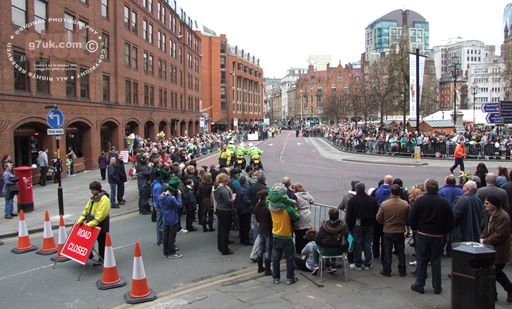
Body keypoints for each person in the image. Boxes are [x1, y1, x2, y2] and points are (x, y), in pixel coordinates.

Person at [408, 179, 454, 295]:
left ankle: (419, 284)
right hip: (438, 236)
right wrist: (444, 232)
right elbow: (450, 221)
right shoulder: (444, 202)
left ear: (426, 188)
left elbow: (411, 218)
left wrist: (415, 229)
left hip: (423, 234)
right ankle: (437, 286)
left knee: (421, 260)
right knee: (436, 261)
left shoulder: (420, 201)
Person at [480, 195, 512, 303]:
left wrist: (485, 241)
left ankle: (508, 290)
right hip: (491, 250)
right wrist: (482, 237)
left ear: (494, 204)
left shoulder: (503, 216)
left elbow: (499, 235)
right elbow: (486, 228)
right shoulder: (491, 214)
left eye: (487, 203)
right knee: (493, 273)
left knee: (495, 273)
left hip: (500, 251)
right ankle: (493, 295)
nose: (485, 205)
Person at [268, 183, 299, 285]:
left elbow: (269, 199)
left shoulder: (270, 206)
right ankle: (290, 278)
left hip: (275, 235)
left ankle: (275, 278)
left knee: (276, 258)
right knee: (289, 258)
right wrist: (295, 207)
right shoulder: (288, 209)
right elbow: (297, 218)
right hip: (286, 236)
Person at [376, 184, 410, 277]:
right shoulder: (405, 204)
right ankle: (402, 270)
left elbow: (379, 218)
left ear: (391, 192)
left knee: (387, 251)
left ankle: (387, 270)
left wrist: (385, 222)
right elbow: (408, 218)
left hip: (388, 230)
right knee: (401, 252)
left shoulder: (385, 204)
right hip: (400, 230)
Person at [76, 181, 111, 266]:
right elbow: (86, 210)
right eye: (91, 190)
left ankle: (102, 259)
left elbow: (100, 215)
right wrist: (80, 220)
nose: (92, 192)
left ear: (98, 189)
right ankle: (89, 254)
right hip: (91, 223)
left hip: (101, 224)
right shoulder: (92, 198)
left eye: (93, 190)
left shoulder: (104, 199)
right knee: (87, 240)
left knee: (101, 242)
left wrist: (91, 223)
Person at [346, 182, 377, 271]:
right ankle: (368, 263)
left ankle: (358, 263)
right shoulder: (372, 200)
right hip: (369, 224)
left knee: (357, 243)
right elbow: (376, 212)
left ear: (356, 189)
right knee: (367, 243)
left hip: (357, 224)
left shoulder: (353, 201)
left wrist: (349, 227)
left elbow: (349, 216)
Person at [438, 175, 463, 257]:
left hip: (444, 216)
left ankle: (440, 250)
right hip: (456, 215)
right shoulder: (460, 191)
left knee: (443, 235)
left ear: (446, 182)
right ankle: (450, 251)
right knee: (453, 235)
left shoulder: (441, 191)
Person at [315, 208, 347, 273]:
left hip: (325, 251)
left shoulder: (324, 226)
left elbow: (318, 239)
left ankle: (316, 265)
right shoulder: (344, 226)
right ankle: (332, 265)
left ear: (329, 215)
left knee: (314, 247)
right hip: (340, 251)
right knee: (335, 243)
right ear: (338, 215)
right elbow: (345, 238)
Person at [158, 178, 183, 259]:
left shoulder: (161, 196)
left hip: (165, 218)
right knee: (172, 237)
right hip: (172, 218)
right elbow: (179, 205)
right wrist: (179, 196)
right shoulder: (171, 198)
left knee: (166, 236)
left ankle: (165, 252)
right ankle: (171, 252)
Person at [214, 173, 236, 255]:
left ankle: (220, 247)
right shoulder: (223, 190)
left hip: (220, 209)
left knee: (221, 230)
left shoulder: (218, 187)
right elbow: (228, 201)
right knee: (225, 230)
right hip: (225, 211)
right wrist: (233, 198)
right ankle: (225, 249)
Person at [373, 175, 393, 260]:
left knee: (376, 238)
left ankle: (376, 254)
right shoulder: (393, 191)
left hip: (377, 217)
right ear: (391, 182)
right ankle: (385, 255)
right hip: (389, 218)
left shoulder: (376, 191)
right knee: (385, 239)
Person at [253, 189, 272, 275]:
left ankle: (260, 267)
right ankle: (268, 270)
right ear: (266, 196)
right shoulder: (267, 207)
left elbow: (257, 219)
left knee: (261, 248)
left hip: (261, 229)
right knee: (268, 249)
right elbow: (270, 220)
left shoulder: (257, 206)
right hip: (268, 230)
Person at [292, 183, 314, 254]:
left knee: (299, 233)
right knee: (306, 231)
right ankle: (306, 248)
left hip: (301, 213)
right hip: (307, 213)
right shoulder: (306, 194)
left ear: (296, 189)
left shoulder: (296, 196)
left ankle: (299, 250)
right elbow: (312, 200)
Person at [236, 176, 252, 245]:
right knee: (246, 225)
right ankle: (246, 239)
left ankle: (242, 238)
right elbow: (246, 201)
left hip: (240, 209)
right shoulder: (245, 190)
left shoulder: (239, 189)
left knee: (242, 224)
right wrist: (251, 201)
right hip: (245, 210)